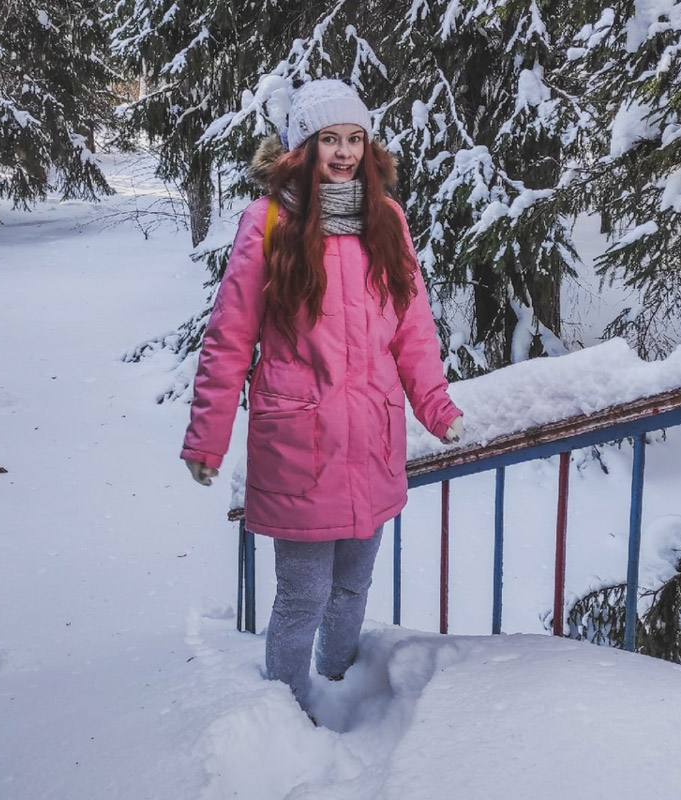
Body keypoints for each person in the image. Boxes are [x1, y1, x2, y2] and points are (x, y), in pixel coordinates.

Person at [181, 79, 464, 710]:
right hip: (300, 442)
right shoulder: (270, 221)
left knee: (353, 585)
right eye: (328, 139)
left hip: (371, 436)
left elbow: (412, 328)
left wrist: (435, 405)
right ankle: (284, 708)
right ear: (302, 148)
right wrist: (208, 437)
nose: (342, 152)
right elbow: (230, 336)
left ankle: (340, 682)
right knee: (302, 592)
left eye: (353, 138)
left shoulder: (385, 219)